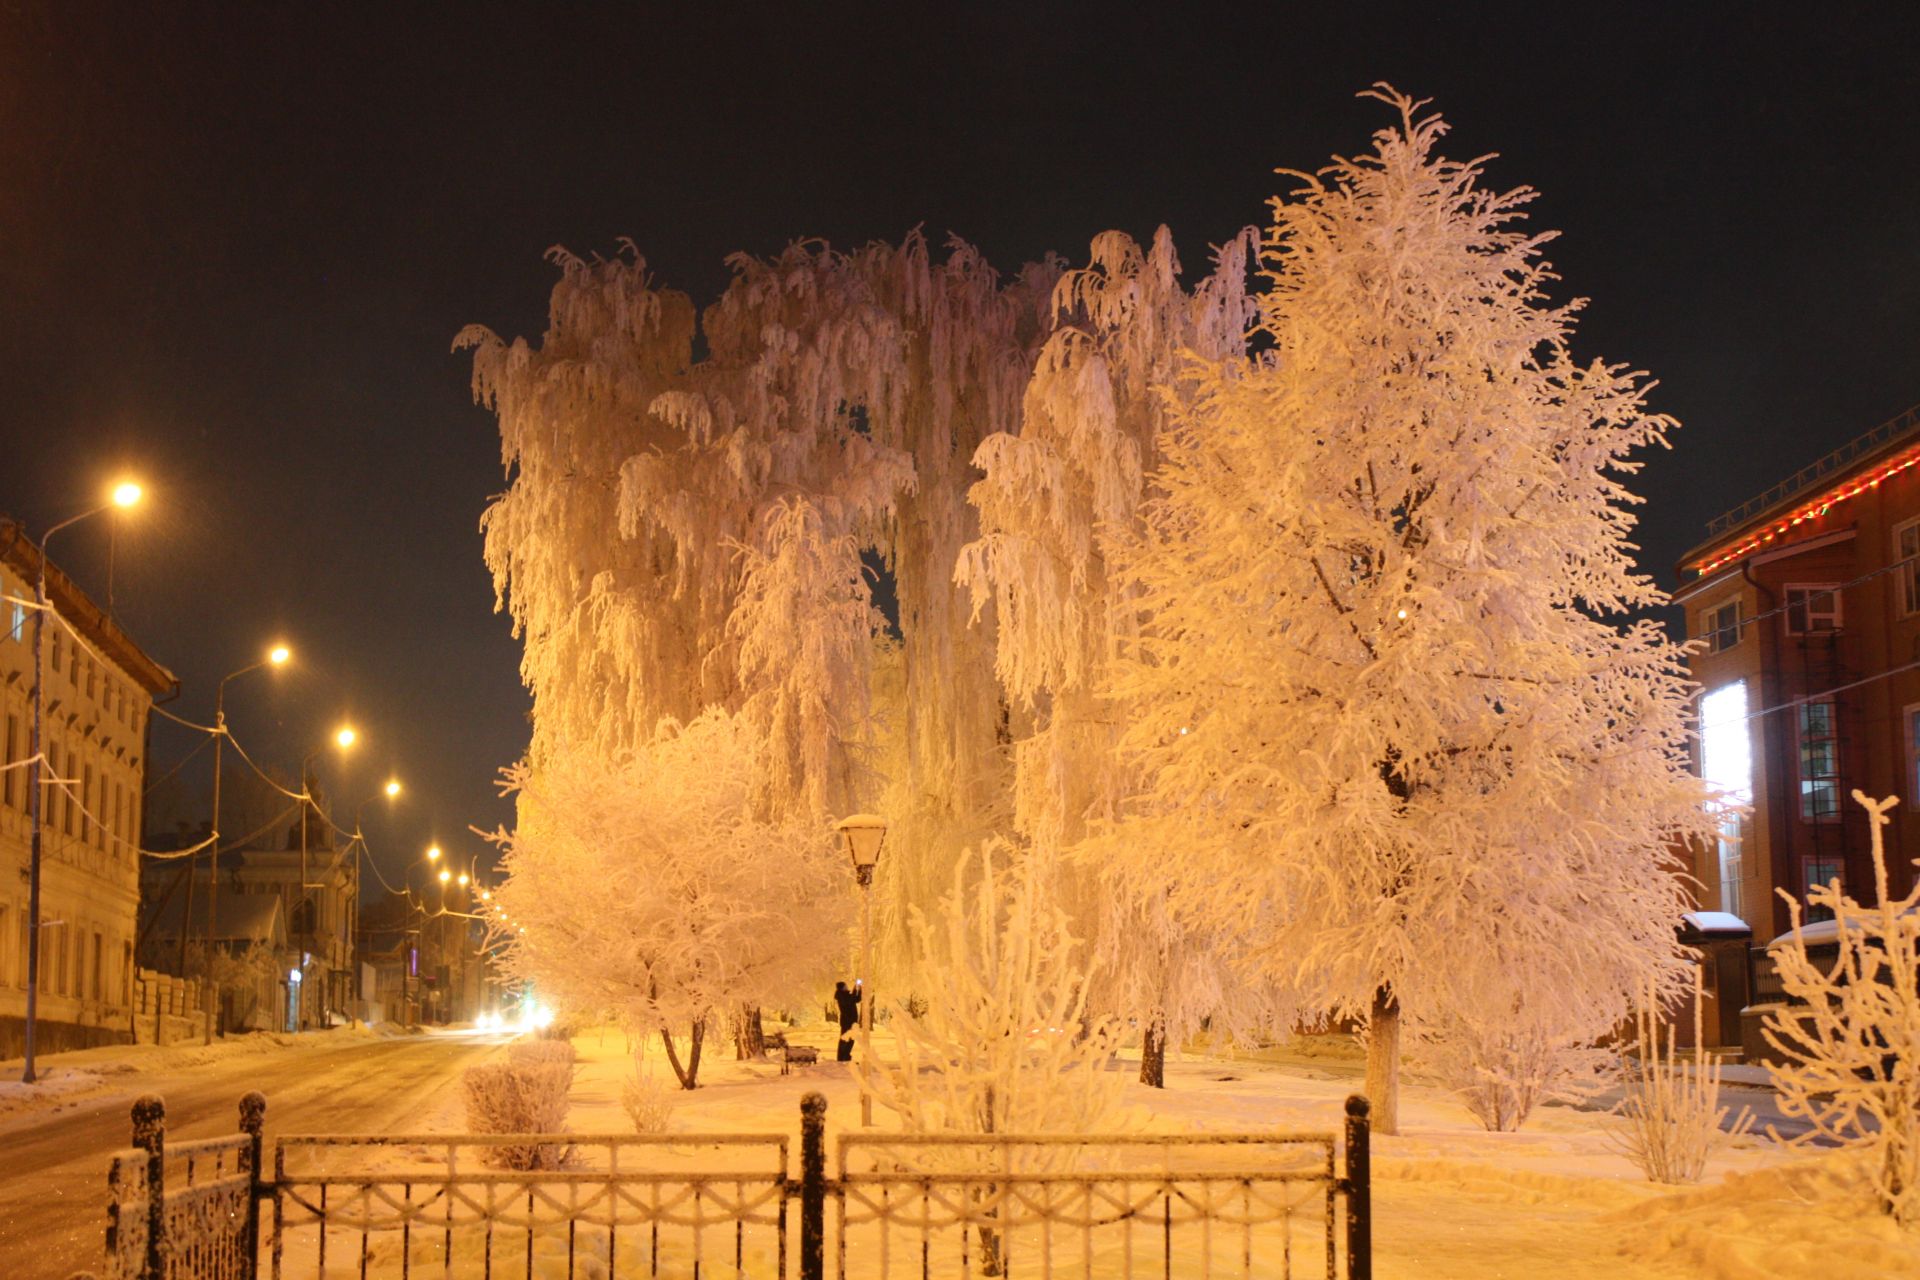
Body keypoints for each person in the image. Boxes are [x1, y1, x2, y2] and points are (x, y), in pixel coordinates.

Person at [833, 980, 862, 1061]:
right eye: (845, 986)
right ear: (842, 988)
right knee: (846, 1040)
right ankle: (842, 1058)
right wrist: (857, 988)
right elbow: (855, 999)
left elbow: (855, 998)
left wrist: (857, 988)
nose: (847, 987)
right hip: (847, 1022)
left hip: (849, 1021)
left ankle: (845, 1057)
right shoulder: (842, 996)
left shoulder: (844, 995)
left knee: (850, 1040)